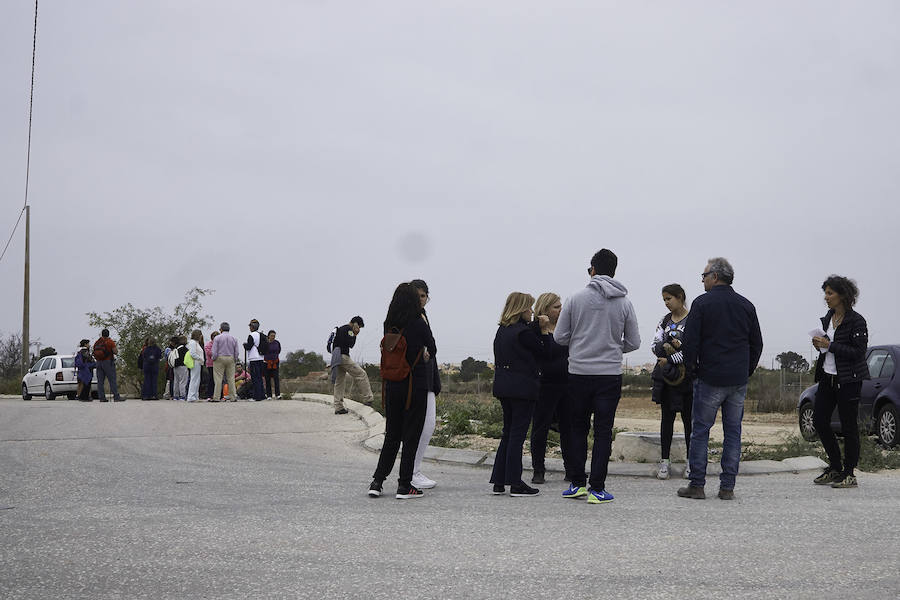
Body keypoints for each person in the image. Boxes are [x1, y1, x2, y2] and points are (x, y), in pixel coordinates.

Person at [555, 249, 640, 505]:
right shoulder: (624, 302)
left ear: (592, 269)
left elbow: (560, 337)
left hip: (579, 373)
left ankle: (577, 483)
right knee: (603, 431)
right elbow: (634, 342)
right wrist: (613, 347)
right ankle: (598, 489)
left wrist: (580, 344)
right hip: (609, 375)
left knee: (578, 428)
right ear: (614, 271)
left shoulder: (574, 299)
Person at [678, 257, 763, 501]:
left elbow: (690, 342)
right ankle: (727, 487)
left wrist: (692, 372)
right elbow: (756, 343)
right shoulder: (746, 306)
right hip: (737, 380)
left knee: (701, 432)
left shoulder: (702, 304)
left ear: (715, 276)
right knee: (733, 432)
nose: (702, 280)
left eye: (704, 276)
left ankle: (697, 485)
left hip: (710, 378)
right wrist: (746, 370)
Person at [368, 283, 436, 499]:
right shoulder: (418, 322)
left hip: (392, 385)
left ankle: (377, 482)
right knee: (411, 435)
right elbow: (432, 347)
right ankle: (404, 485)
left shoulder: (389, 323)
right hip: (414, 385)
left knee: (392, 435)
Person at [490, 292, 553, 497]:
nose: (532, 312)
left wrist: (534, 327)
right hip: (523, 389)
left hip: (504, 387)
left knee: (507, 433)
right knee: (517, 435)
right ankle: (516, 483)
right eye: (529, 308)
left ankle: (499, 481)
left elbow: (524, 335)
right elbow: (545, 352)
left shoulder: (503, 331)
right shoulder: (523, 333)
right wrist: (544, 330)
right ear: (521, 309)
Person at [811, 275, 870, 489]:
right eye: (825, 293)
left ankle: (849, 473)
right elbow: (828, 347)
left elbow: (858, 352)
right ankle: (835, 466)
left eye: (830, 293)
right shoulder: (828, 317)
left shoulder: (856, 321)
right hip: (827, 378)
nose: (826, 298)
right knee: (819, 421)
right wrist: (820, 345)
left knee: (848, 426)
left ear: (843, 296)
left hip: (849, 381)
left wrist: (830, 345)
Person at [650, 284, 693, 480]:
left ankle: (691, 462)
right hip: (667, 379)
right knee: (666, 421)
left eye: (669, 299)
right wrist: (665, 348)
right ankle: (665, 462)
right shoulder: (664, 321)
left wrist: (672, 358)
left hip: (688, 380)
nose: (667, 303)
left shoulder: (692, 320)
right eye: (664, 300)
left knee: (688, 422)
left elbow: (693, 351)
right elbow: (654, 345)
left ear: (680, 297)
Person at [528, 292, 572, 485]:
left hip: (567, 384)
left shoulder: (566, 328)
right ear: (545, 309)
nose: (560, 309)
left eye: (560, 306)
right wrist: (543, 329)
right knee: (540, 428)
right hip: (544, 385)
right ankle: (538, 469)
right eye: (556, 307)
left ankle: (571, 469)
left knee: (568, 428)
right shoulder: (534, 330)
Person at [410, 279, 442, 490]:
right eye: (418, 295)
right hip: (415, 379)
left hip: (427, 378)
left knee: (428, 425)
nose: (422, 300)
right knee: (420, 426)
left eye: (424, 296)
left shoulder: (423, 316)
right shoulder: (410, 317)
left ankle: (414, 470)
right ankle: (412, 472)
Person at [330, 316, 375, 414]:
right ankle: (368, 399)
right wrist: (355, 334)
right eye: (359, 326)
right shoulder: (349, 330)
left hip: (335, 357)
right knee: (361, 374)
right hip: (343, 357)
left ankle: (338, 407)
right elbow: (351, 344)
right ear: (355, 324)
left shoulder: (340, 328)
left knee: (339, 381)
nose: (359, 329)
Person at [211, 322, 240, 402]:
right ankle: (233, 397)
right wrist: (235, 359)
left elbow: (214, 350)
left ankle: (216, 397)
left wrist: (214, 358)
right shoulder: (234, 338)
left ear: (221, 329)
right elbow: (236, 351)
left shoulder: (217, 338)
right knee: (231, 378)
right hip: (230, 358)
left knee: (218, 378)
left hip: (219, 358)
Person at [93, 328, 123, 402]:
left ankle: (102, 397)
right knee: (112, 380)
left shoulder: (97, 342)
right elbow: (115, 352)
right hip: (108, 362)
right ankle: (116, 397)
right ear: (108, 334)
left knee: (100, 381)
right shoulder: (110, 342)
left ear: (102, 334)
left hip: (98, 362)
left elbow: (94, 351)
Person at [243, 319, 267, 401]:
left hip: (254, 358)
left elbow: (249, 346)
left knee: (255, 378)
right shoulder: (261, 335)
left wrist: (245, 345)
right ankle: (262, 395)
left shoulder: (251, 335)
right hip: (261, 357)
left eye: (250, 326)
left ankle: (256, 396)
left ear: (252, 327)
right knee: (259, 377)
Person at [187, 330, 205, 402]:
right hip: (195, 362)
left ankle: (195, 395)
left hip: (198, 362)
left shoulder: (196, 343)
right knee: (194, 379)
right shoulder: (192, 343)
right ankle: (191, 396)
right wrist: (200, 358)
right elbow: (192, 353)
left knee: (197, 379)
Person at [264, 330, 282, 400]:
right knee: (267, 379)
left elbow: (279, 350)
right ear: (268, 336)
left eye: (274, 336)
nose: (273, 337)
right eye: (272, 336)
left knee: (276, 379)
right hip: (266, 363)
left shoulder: (277, 343)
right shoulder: (265, 343)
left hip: (275, 363)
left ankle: (278, 394)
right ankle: (269, 395)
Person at [172, 335, 190, 401]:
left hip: (176, 366)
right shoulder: (185, 349)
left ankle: (175, 395)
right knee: (183, 381)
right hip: (183, 366)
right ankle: (182, 395)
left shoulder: (176, 349)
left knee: (176, 381)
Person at [204, 331, 218, 400]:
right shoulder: (208, 345)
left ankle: (217, 394)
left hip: (218, 364)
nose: (215, 337)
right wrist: (215, 352)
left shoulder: (219, 344)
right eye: (214, 336)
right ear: (212, 337)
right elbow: (209, 353)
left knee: (217, 380)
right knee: (211, 379)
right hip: (210, 364)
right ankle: (209, 395)